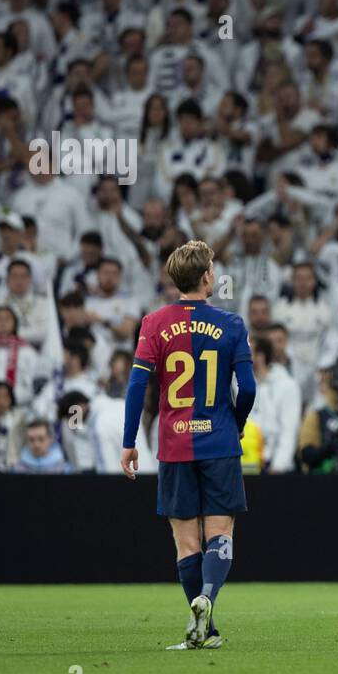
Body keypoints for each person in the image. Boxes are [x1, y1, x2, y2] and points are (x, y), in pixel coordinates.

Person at [120, 241, 257, 651]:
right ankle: (207, 603)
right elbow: (247, 387)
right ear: (205, 276)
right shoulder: (231, 324)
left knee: (186, 542)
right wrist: (236, 422)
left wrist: (129, 442)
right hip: (218, 442)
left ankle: (206, 629)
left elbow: (136, 386)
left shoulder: (153, 323)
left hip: (175, 443)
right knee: (221, 533)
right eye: (212, 268)